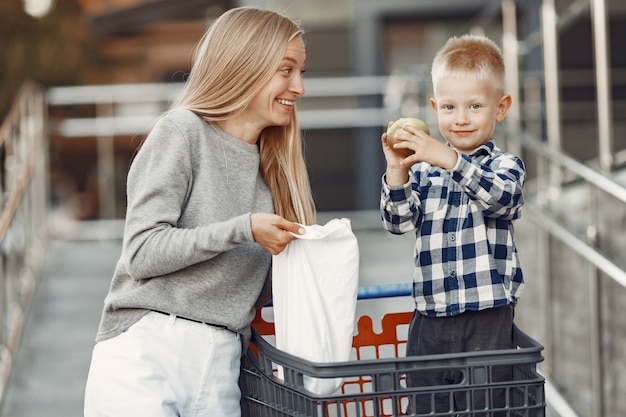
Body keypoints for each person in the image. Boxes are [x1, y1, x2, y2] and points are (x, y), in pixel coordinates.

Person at [83, 7, 315, 417]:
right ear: (247, 63)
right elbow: (142, 253)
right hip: (147, 352)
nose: (298, 86)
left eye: (301, 71)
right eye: (286, 70)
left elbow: (252, 289)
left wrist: (318, 255)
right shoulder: (182, 132)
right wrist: (242, 229)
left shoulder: (278, 169)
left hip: (222, 365)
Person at [379, 34, 526, 415]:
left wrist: (451, 160)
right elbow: (397, 222)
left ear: (501, 107)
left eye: (475, 106)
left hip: (486, 316)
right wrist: (397, 171)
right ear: (433, 107)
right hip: (430, 315)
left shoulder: (504, 165)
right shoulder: (424, 170)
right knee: (429, 405)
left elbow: (504, 199)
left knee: (484, 406)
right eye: (449, 106)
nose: (460, 118)